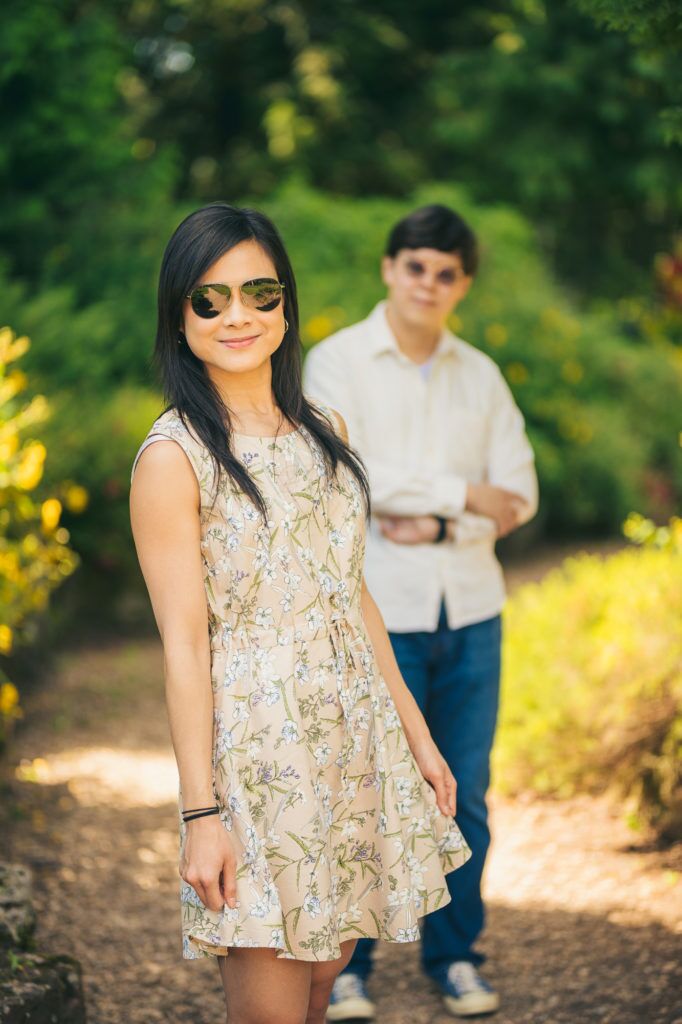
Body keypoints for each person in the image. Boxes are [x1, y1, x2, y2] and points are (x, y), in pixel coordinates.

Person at [129, 202, 472, 1024]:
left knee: (323, 984)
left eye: (259, 291)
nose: (238, 315)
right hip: (255, 759)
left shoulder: (325, 430)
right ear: (179, 317)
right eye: (209, 299)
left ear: (286, 301)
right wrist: (200, 815)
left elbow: (351, 595)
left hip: (353, 748)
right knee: (272, 1002)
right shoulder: (173, 457)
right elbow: (183, 646)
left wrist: (417, 740)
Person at [303, 204, 538, 1020]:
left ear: (462, 283)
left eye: (446, 273)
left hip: (472, 609)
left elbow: (522, 490)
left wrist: (429, 516)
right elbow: (348, 476)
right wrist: (465, 497)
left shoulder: (481, 374)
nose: (429, 285)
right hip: (380, 613)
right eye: (416, 267)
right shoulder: (334, 365)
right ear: (388, 268)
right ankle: (352, 968)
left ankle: (455, 956)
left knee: (465, 793)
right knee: (367, 788)